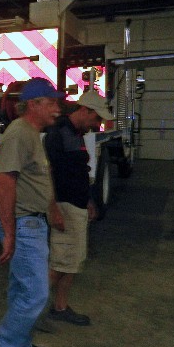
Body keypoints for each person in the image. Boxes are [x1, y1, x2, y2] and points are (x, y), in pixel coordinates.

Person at [0, 77, 64, 347]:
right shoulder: (19, 134)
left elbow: (31, 180)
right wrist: (9, 233)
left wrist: (51, 208)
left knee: (22, 288)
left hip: (32, 221)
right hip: (22, 224)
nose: (58, 110)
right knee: (36, 293)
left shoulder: (33, 134)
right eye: (53, 103)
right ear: (34, 104)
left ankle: (18, 344)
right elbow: (5, 184)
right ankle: (4, 345)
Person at [39, 89, 113, 327]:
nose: (98, 124)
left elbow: (80, 171)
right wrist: (54, 209)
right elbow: (48, 175)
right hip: (65, 207)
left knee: (72, 262)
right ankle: (32, 315)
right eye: (96, 118)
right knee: (59, 264)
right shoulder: (57, 134)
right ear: (85, 110)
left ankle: (59, 307)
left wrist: (89, 200)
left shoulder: (77, 133)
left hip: (77, 206)